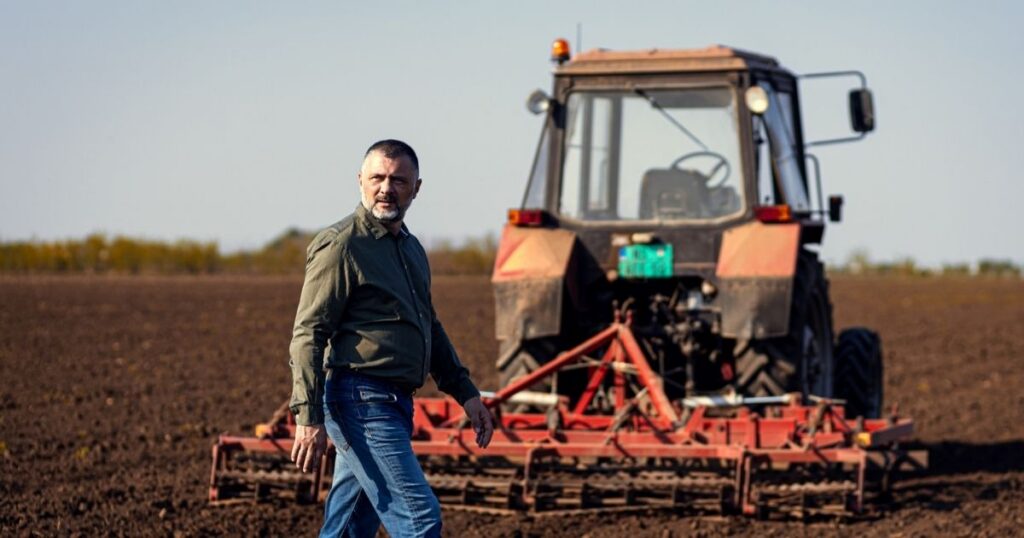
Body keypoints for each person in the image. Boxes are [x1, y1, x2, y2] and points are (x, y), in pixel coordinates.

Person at [287, 139, 494, 537]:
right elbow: (309, 333)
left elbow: (429, 327)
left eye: (399, 180)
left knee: (349, 527)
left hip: (394, 402)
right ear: (360, 181)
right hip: (360, 400)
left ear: (416, 188)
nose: (387, 188)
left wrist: (467, 394)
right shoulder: (343, 244)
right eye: (377, 177)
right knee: (419, 520)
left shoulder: (411, 249)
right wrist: (307, 417)